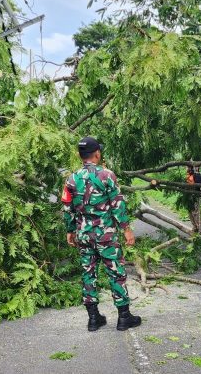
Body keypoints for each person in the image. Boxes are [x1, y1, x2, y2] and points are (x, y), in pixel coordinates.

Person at [62, 136, 142, 332]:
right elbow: (117, 205)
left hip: (84, 235)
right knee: (116, 272)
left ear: (80, 155)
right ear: (97, 153)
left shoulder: (71, 179)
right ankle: (124, 317)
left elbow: (67, 208)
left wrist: (70, 231)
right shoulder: (107, 175)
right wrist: (126, 229)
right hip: (106, 235)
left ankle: (93, 319)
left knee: (88, 273)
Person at [186, 165, 201, 232]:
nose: (187, 169)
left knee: (196, 212)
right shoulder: (187, 176)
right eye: (187, 167)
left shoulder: (196, 176)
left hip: (195, 197)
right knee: (190, 212)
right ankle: (195, 227)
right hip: (188, 197)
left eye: (188, 167)